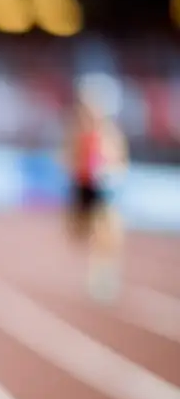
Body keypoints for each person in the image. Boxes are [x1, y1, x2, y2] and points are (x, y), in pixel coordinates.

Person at [62, 83, 129, 302]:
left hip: (103, 188)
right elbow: (69, 157)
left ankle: (102, 275)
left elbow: (120, 160)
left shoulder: (110, 134)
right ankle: (99, 266)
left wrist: (112, 173)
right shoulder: (77, 134)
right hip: (82, 186)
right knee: (79, 233)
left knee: (106, 230)